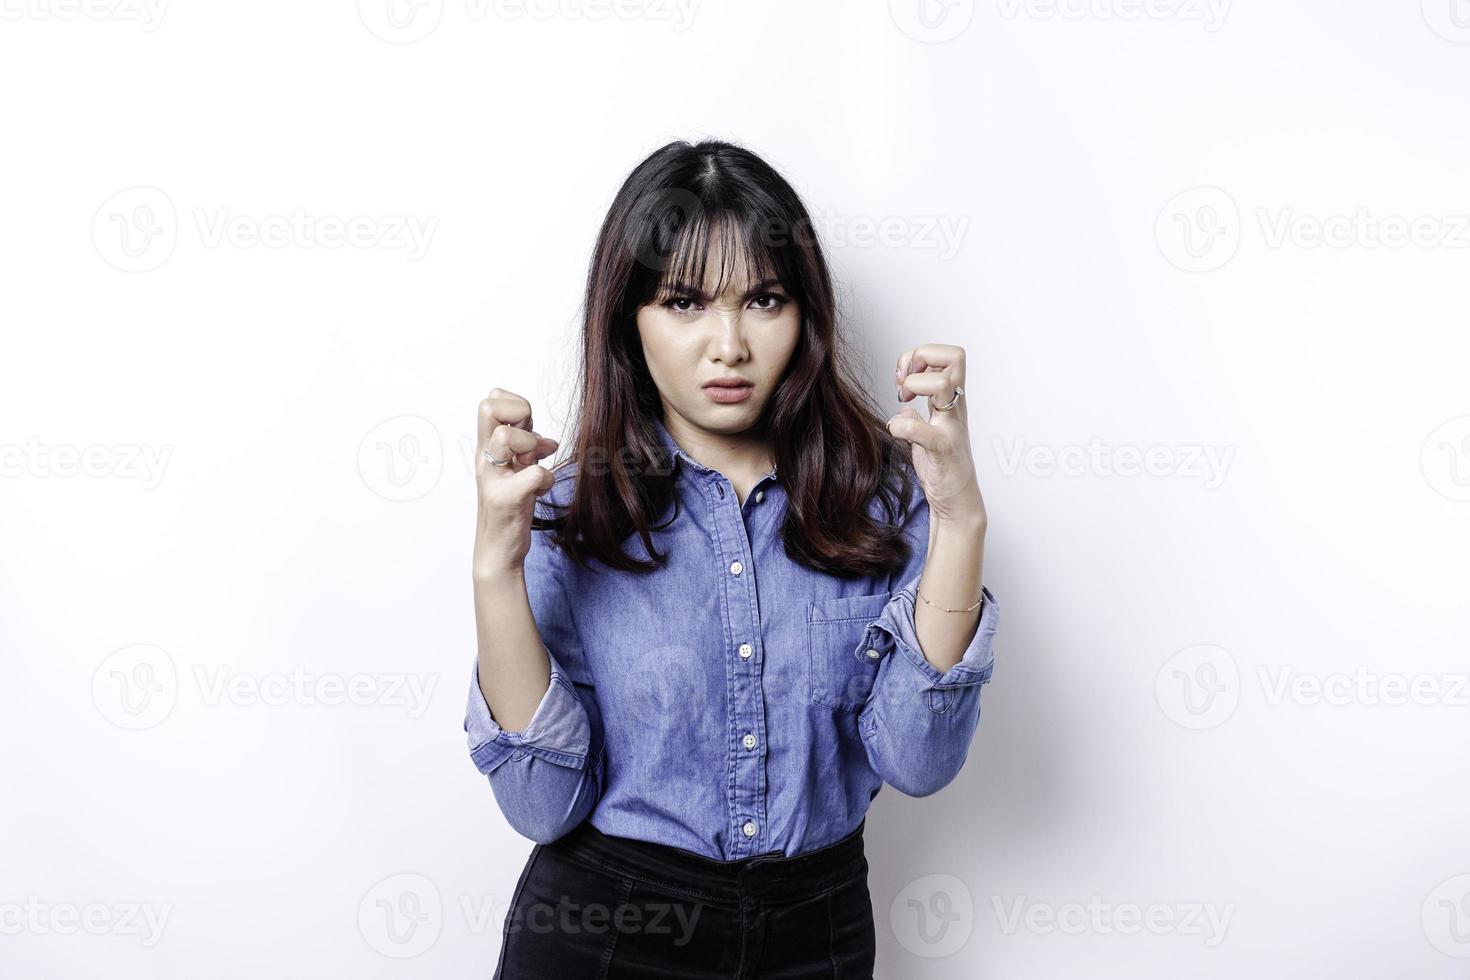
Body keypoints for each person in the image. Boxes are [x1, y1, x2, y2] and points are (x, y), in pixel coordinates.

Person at [465, 138, 999, 979]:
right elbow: (539, 804)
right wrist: (495, 568)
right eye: (683, 302)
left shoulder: (884, 504)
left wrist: (960, 517)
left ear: (805, 313)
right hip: (602, 937)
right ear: (627, 319)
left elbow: (920, 761)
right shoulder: (568, 513)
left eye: (764, 299)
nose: (729, 345)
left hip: (816, 937)